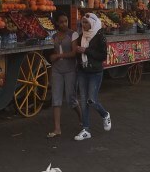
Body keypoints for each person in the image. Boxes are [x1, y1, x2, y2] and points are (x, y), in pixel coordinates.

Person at [74, 13, 111, 141]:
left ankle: (105, 114)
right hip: (83, 71)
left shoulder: (100, 36)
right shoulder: (81, 36)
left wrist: (85, 51)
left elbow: (103, 56)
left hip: (95, 72)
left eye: (86, 23)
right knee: (83, 100)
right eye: (82, 23)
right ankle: (85, 129)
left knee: (92, 100)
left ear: (93, 23)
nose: (84, 25)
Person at [47, 14, 82, 138]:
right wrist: (52, 57)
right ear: (57, 23)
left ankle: (81, 118)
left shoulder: (73, 34)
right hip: (57, 70)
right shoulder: (54, 36)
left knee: (70, 98)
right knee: (56, 99)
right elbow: (51, 53)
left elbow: (73, 53)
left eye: (66, 21)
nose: (64, 24)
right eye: (61, 22)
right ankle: (57, 128)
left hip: (70, 70)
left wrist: (58, 56)